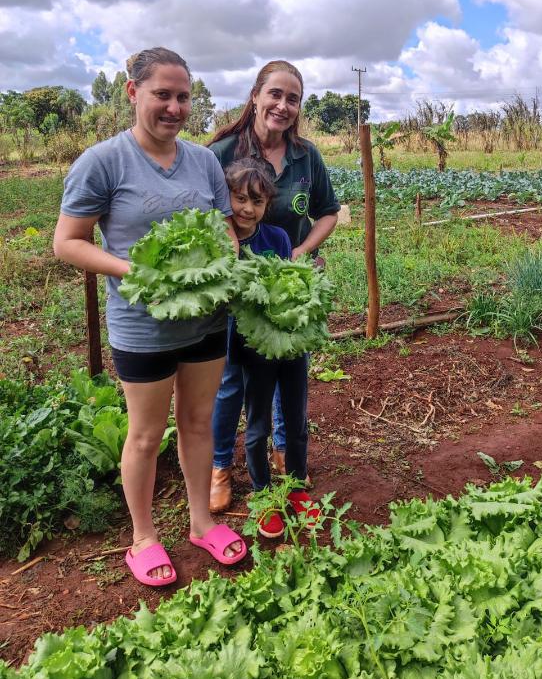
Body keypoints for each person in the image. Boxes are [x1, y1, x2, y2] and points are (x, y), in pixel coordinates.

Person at [53, 47, 246, 588]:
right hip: (142, 325)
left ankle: (201, 521)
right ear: (133, 92)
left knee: (197, 423)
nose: (175, 107)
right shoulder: (104, 162)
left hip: (205, 321)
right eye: (163, 94)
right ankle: (142, 536)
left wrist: (226, 260)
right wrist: (130, 270)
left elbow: (224, 229)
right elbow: (67, 243)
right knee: (143, 435)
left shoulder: (204, 161)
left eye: (183, 97)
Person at [208, 60, 340, 512]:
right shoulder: (223, 152)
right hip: (234, 289)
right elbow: (202, 209)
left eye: (293, 99)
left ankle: (285, 453)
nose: (283, 106)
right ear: (256, 96)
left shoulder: (306, 157)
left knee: (288, 367)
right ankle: (220, 467)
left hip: (288, 288)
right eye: (275, 95)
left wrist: (299, 256)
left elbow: (327, 212)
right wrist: (231, 250)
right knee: (231, 382)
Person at [224, 158, 317, 537]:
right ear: (227, 197)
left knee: (295, 419)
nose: (247, 208)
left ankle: (294, 487)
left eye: (257, 202)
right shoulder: (224, 241)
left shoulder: (278, 238)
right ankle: (263, 495)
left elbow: (290, 281)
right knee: (257, 424)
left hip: (290, 343)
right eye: (240, 198)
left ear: (267, 205)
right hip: (253, 348)